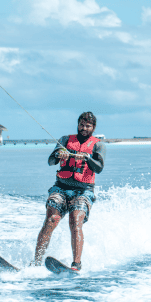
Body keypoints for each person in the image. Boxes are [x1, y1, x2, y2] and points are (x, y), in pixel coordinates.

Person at [33, 111, 106, 271]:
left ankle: (76, 264)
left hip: (84, 191)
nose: (84, 128)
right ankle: (36, 262)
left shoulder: (98, 145)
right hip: (61, 188)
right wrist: (59, 154)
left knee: (75, 221)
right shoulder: (65, 140)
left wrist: (87, 158)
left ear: (93, 127)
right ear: (78, 124)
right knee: (51, 220)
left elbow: (99, 168)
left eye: (88, 126)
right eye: (81, 125)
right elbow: (51, 161)